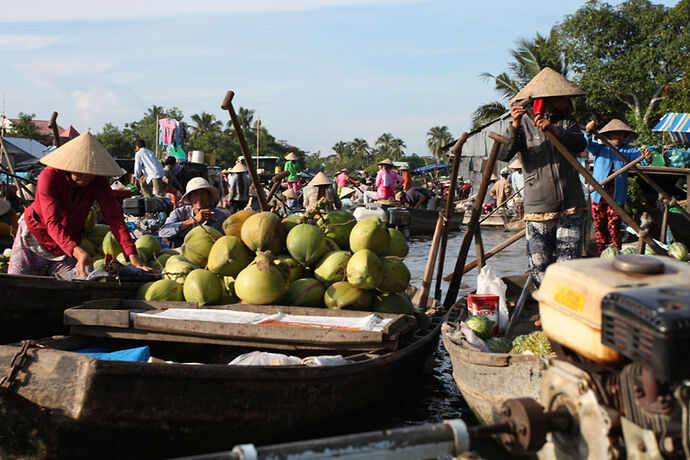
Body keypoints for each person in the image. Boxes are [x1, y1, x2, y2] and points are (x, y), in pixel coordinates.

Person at [7, 132, 150, 279]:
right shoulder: (49, 176)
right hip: (35, 236)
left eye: (90, 172)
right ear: (69, 165)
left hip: (68, 242)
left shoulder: (98, 182)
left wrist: (133, 258)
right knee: (16, 282)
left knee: (80, 281)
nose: (86, 176)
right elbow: (52, 223)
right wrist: (79, 252)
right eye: (80, 170)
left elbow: (115, 219)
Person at [497, 67, 588, 286]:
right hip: (538, 206)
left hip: (570, 203)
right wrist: (515, 125)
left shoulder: (568, 123)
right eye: (561, 98)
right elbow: (504, 154)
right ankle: (545, 306)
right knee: (539, 262)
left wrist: (556, 131)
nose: (566, 102)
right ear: (547, 100)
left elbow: (580, 144)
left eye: (566, 98)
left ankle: (564, 308)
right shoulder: (523, 125)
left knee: (568, 262)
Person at [585, 119, 651, 254]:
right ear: (608, 135)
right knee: (599, 225)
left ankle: (615, 252)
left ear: (625, 136)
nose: (617, 136)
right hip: (598, 194)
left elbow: (643, 159)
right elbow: (587, 144)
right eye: (614, 134)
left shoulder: (627, 151)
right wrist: (588, 132)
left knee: (614, 225)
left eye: (620, 134)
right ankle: (602, 253)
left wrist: (647, 156)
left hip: (616, 196)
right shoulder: (600, 149)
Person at [159, 177, 230, 248]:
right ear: (189, 198)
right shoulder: (179, 213)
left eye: (203, 194)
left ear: (208, 197)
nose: (199, 198)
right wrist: (193, 220)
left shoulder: (219, 216)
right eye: (195, 194)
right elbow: (163, 232)